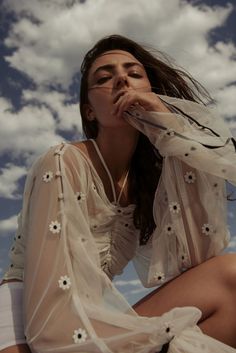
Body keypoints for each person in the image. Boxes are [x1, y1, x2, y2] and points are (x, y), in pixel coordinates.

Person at [1, 34, 236, 353]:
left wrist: (168, 128)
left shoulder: (147, 184)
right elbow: (50, 314)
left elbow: (199, 260)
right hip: (30, 319)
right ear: (89, 112)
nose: (122, 79)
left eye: (135, 74)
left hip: (91, 317)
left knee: (231, 278)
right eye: (104, 77)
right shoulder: (63, 161)